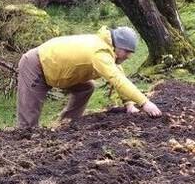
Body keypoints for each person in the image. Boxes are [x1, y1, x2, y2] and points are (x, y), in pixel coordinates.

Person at [16, 25, 161, 128]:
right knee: (28, 122)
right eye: (127, 51)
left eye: (131, 53)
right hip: (37, 65)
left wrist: (129, 104)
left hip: (55, 69)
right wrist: (144, 103)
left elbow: (118, 72)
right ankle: (23, 147)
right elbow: (117, 80)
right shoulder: (99, 53)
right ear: (117, 46)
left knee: (86, 87)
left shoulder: (107, 50)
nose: (128, 56)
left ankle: (67, 124)